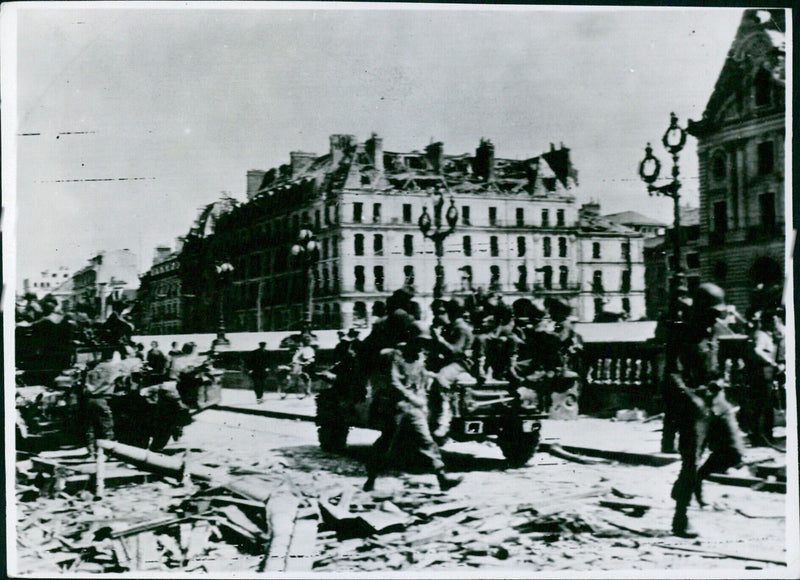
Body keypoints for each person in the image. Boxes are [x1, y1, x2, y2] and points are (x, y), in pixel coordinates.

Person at [669, 283, 746, 538]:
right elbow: (672, 373)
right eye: (711, 312)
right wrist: (690, 397)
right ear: (700, 310)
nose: (716, 316)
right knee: (690, 461)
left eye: (717, 312)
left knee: (734, 453)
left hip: (717, 400)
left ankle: (697, 480)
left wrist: (721, 381)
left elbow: (717, 365)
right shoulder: (681, 334)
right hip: (694, 405)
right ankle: (681, 518)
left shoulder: (713, 331)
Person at [363, 321, 462, 493]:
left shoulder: (418, 357)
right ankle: (371, 478)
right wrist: (413, 398)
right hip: (396, 407)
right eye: (419, 341)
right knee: (386, 444)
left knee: (427, 442)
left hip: (414, 408)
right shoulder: (395, 356)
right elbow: (394, 382)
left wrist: (437, 377)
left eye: (425, 342)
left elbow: (421, 374)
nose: (422, 346)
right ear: (410, 340)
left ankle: (442, 477)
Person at [429, 299, 474, 443]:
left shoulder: (461, 328)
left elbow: (455, 351)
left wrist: (439, 339)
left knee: (441, 378)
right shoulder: (453, 326)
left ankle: (444, 419)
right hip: (452, 362)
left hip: (460, 363)